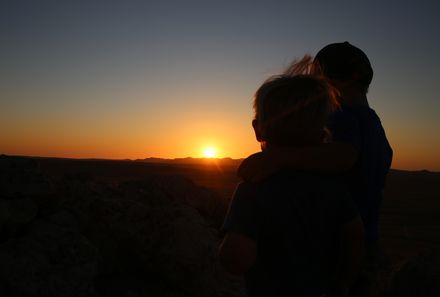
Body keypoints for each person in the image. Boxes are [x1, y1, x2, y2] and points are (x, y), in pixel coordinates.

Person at [237, 42, 393, 297]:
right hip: (364, 240)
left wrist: (280, 157)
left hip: (333, 244)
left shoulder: (343, 117)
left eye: (320, 77)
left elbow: (344, 156)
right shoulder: (374, 123)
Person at [219, 74, 364, 297]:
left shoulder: (253, 189)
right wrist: (344, 283)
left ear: (258, 129)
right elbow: (354, 235)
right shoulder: (334, 186)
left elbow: (237, 260)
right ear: (322, 132)